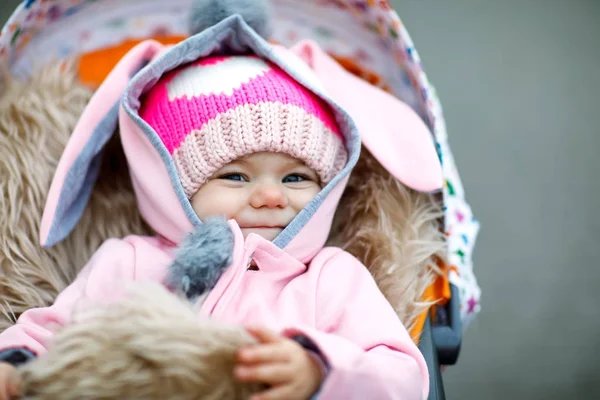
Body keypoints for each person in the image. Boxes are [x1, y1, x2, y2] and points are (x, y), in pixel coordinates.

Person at [0, 32, 429, 400]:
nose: (269, 196)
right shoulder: (130, 262)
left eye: (296, 177)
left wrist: (320, 369)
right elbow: (53, 331)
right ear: (174, 188)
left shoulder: (330, 277)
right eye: (236, 176)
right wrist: (16, 364)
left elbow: (401, 376)